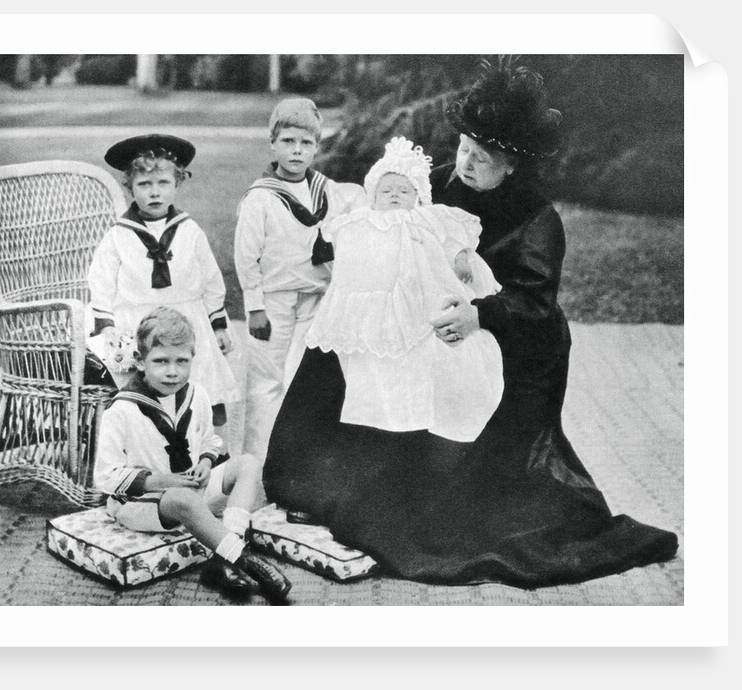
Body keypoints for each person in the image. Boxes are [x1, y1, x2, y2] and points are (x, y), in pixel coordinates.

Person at [263, 59, 678, 588]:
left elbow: (535, 304)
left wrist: (479, 313)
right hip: (433, 316)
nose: (465, 164)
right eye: (462, 148)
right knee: (344, 344)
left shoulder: (536, 218)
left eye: (483, 159)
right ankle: (311, 476)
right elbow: (389, 223)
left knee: (461, 417)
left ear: (511, 166)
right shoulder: (438, 184)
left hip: (513, 337)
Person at [304, 136, 503, 442]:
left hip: (423, 290)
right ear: (373, 196)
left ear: (418, 195)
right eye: (386, 191)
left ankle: (432, 411)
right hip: (377, 298)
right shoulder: (364, 220)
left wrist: (460, 254)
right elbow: (338, 243)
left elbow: (451, 234)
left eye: (403, 191)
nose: (394, 196)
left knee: (433, 352)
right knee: (376, 362)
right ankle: (380, 416)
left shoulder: (426, 216)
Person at [94, 307, 291, 604]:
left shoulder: (197, 394)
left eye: (181, 361)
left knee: (248, 463)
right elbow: (105, 476)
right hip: (143, 503)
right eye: (160, 361)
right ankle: (245, 560)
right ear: (141, 362)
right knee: (182, 499)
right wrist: (160, 481)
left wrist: (205, 462)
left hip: (190, 487)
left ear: (191, 359)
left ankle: (224, 559)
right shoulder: (122, 409)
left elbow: (209, 440)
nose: (172, 371)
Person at [234, 97, 367, 460]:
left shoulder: (330, 192)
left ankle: (296, 463)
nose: (297, 151)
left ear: (317, 147)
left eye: (306, 143)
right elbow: (246, 257)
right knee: (266, 382)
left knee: (305, 378)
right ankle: (255, 465)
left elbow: (353, 231)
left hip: (317, 298)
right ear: (272, 144)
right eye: (288, 142)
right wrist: (254, 307)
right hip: (274, 299)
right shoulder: (260, 198)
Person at [88, 133, 238, 439]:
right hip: (139, 322)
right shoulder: (119, 234)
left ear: (177, 183)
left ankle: (203, 451)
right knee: (149, 396)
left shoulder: (189, 230)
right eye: (144, 185)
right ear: (130, 187)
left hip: (188, 319)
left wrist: (218, 325)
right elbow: (101, 280)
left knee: (198, 388)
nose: (154, 193)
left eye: (163, 183)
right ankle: (151, 451)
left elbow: (210, 280)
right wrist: (107, 327)